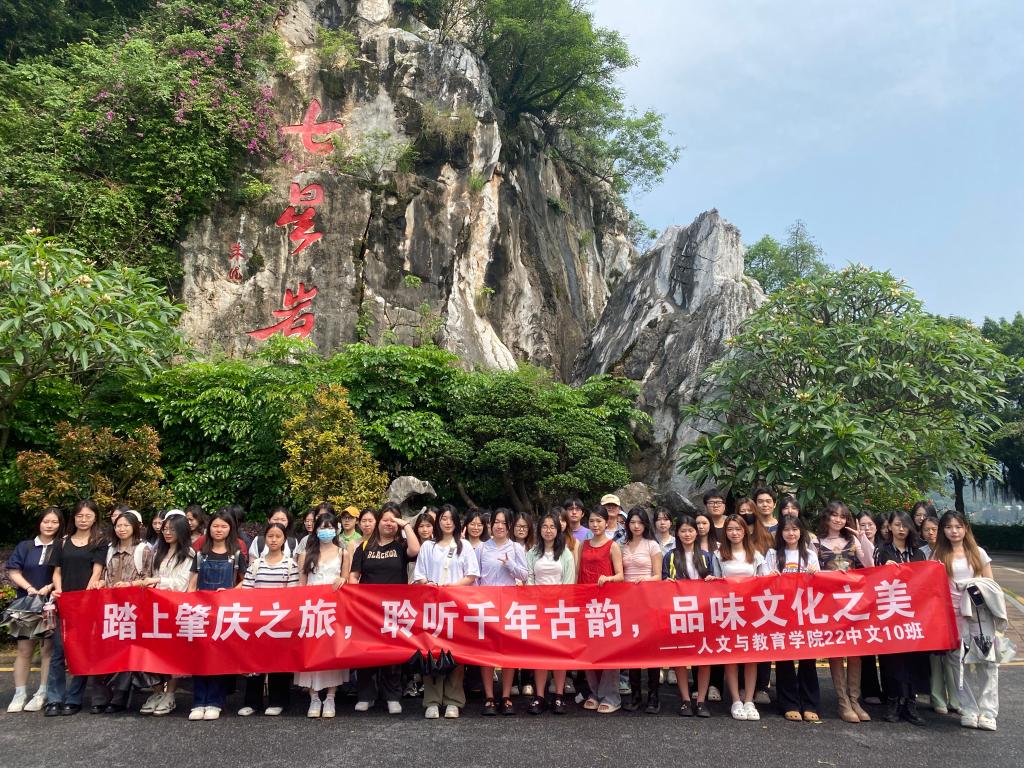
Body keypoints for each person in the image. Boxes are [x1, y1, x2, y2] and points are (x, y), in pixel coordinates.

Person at [350, 503, 420, 715]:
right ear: (378, 521)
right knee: (366, 652)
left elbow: (416, 550)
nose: (389, 524)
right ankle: (366, 696)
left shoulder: (400, 546)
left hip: (394, 610)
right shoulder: (364, 547)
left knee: (392, 653)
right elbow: (354, 575)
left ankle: (392, 696)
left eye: (393, 520)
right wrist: (355, 596)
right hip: (368, 610)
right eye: (385, 519)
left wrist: (405, 525)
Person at [934, 511, 999, 731]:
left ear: (966, 529)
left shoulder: (978, 553)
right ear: (943, 530)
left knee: (987, 663)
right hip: (952, 617)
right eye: (949, 527)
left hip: (980, 616)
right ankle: (969, 709)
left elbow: (991, 584)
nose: (954, 531)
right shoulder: (938, 555)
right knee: (959, 664)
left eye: (958, 526)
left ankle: (988, 712)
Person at [413, 506, 479, 719]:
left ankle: (453, 700)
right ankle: (432, 700)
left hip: (456, 606)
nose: (447, 522)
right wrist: (429, 584)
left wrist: (452, 587)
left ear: (457, 522)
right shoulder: (428, 546)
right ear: (438, 522)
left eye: (451, 518)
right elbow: (419, 574)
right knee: (431, 652)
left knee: (455, 654)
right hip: (432, 607)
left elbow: (472, 575)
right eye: (443, 518)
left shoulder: (464, 545)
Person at [89, 509, 155, 714]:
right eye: (118, 525)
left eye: (126, 525)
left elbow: (150, 578)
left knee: (126, 653)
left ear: (135, 527)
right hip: (108, 607)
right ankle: (99, 697)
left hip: (131, 609)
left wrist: (131, 585)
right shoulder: (109, 549)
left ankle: (119, 697)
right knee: (102, 650)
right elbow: (105, 574)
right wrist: (101, 583)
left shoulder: (144, 550)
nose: (122, 529)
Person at [45, 500, 105, 717]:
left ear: (95, 518)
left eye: (88, 516)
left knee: (81, 652)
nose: (83, 520)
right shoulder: (61, 543)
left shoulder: (100, 542)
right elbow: (57, 572)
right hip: (65, 604)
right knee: (58, 653)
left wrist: (85, 597)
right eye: (79, 516)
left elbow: (97, 572)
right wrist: (59, 590)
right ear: (74, 518)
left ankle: (74, 698)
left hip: (87, 605)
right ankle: (54, 699)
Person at [817, 500, 874, 724]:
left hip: (853, 603)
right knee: (836, 651)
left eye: (842, 516)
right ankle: (843, 702)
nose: (838, 520)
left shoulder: (852, 541)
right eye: (834, 515)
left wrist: (863, 539)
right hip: (829, 604)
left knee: (855, 651)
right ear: (827, 517)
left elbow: (869, 564)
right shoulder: (816, 542)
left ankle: (854, 700)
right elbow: (813, 570)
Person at [187, 509, 247, 721]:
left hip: (224, 613)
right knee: (199, 656)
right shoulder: (200, 554)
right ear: (209, 528)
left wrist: (230, 593)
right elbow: (192, 583)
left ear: (231, 529)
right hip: (201, 612)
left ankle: (215, 701)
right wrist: (191, 602)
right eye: (215, 526)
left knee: (219, 657)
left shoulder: (236, 555)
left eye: (223, 526)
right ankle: (198, 701)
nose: (219, 530)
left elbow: (245, 581)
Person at [238, 522, 299, 717]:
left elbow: (293, 594)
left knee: (278, 661)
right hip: (257, 621)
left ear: (284, 539)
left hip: (279, 621)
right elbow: (247, 590)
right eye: (270, 536)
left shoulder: (290, 565)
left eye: (278, 536)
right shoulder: (256, 564)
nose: (273, 540)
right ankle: (252, 702)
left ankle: (277, 701)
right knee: (254, 662)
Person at [875, 510, 930, 726]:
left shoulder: (918, 553)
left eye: (905, 525)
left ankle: (910, 702)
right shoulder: (882, 551)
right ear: (889, 526)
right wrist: (884, 570)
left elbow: (925, 582)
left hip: (913, 615)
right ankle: (893, 701)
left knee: (912, 660)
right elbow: (873, 581)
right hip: (890, 614)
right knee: (892, 660)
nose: (901, 529)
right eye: (897, 525)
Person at [764, 517, 821, 722]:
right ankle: (788, 703)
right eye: (786, 530)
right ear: (780, 533)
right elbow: (764, 581)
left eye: (795, 529)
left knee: (808, 658)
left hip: (805, 611)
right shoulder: (773, 554)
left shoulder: (810, 555)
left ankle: (810, 703)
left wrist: (815, 574)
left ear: (801, 531)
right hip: (781, 612)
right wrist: (770, 576)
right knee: (784, 658)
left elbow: (820, 583)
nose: (791, 533)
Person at [712, 514, 768, 721]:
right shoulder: (719, 554)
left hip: (752, 611)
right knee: (732, 656)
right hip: (729, 612)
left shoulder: (756, 554)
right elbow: (716, 583)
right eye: (730, 529)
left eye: (738, 529)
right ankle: (736, 699)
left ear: (745, 531)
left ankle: (749, 700)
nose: (734, 533)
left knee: (750, 656)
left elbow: (764, 582)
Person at [662, 514, 718, 717]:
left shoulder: (706, 556)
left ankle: (701, 700)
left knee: (703, 657)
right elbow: (663, 581)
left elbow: (716, 583)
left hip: (703, 613)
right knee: (680, 656)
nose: (687, 534)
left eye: (691, 530)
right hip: (678, 613)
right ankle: (685, 699)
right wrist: (666, 583)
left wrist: (711, 580)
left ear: (697, 532)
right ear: (677, 533)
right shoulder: (669, 556)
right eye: (683, 530)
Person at [6, 507, 61, 713]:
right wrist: (29, 588)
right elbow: (13, 570)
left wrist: (49, 587)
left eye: (54, 522)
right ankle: (20, 693)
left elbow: (63, 572)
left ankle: (42, 692)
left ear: (60, 524)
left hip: (50, 603)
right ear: (39, 522)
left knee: (47, 650)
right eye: (46, 521)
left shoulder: (61, 546)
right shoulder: (25, 546)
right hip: (26, 604)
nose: (50, 525)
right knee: (24, 650)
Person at [297, 511, 350, 718]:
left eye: (329, 527)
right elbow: (301, 584)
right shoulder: (307, 553)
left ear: (336, 529)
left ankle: (330, 697)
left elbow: (346, 579)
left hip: (332, 610)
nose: (325, 531)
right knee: (311, 652)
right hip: (311, 609)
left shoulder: (343, 553)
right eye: (322, 527)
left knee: (330, 653)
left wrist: (343, 580)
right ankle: (314, 697)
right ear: (316, 530)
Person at [476, 508, 528, 715]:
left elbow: (524, 575)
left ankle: (506, 696)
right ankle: (489, 696)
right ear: (490, 525)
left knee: (508, 651)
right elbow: (476, 577)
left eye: (504, 523)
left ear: (509, 526)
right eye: (496, 522)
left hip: (508, 605)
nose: (499, 526)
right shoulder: (481, 548)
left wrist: (510, 565)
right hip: (486, 605)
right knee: (486, 651)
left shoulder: (516, 548)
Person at [527, 511, 577, 715]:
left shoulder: (566, 553)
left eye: (552, 527)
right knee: (540, 653)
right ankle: (539, 696)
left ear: (558, 530)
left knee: (559, 653)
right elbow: (529, 578)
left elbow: (569, 582)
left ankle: (558, 695)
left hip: (559, 609)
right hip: (538, 609)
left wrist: (557, 601)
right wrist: (537, 599)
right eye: (545, 526)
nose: (548, 530)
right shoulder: (532, 552)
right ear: (539, 529)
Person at [576, 506, 624, 713]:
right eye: (592, 521)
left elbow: (621, 575)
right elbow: (577, 572)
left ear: (606, 523)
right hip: (586, 602)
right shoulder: (583, 545)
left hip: (607, 603)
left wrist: (609, 578)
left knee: (608, 650)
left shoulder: (613, 546)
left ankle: (611, 696)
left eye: (599, 521)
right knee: (589, 648)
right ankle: (594, 692)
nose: (595, 525)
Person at [620, 508, 663, 713]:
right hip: (628, 602)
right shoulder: (623, 545)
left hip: (648, 600)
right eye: (632, 522)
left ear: (646, 524)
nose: (636, 526)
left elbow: (658, 576)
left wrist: (646, 579)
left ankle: (653, 696)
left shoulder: (652, 545)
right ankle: (636, 694)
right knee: (633, 649)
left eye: (640, 522)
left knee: (651, 649)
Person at [855, 511, 886, 705]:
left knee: (887, 645)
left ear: (877, 526)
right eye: (862, 525)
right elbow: (868, 563)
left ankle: (892, 690)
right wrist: (862, 540)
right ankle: (870, 689)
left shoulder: (886, 546)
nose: (866, 529)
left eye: (870, 525)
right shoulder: (855, 545)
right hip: (863, 601)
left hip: (884, 600)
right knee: (866, 644)